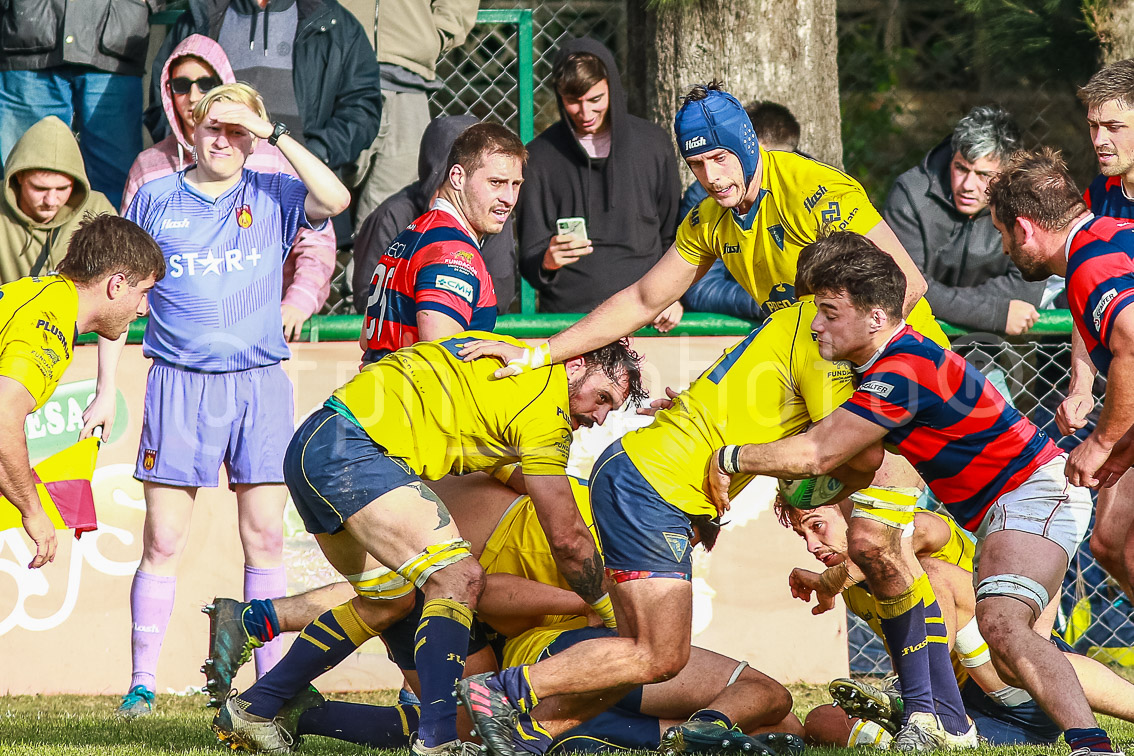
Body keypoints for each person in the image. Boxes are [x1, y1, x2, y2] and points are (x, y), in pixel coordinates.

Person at [459, 83, 965, 751]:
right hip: (813, 384)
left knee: (871, 541)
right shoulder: (713, 219)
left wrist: (844, 407)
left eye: (722, 160)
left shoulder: (817, 193)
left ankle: (934, 714)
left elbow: (909, 285)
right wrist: (539, 351)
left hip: (893, 379)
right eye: (697, 166)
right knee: (852, 548)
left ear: (750, 147)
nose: (712, 177)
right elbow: (644, 295)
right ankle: (942, 709)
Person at [707, 232, 1111, 755]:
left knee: (999, 623)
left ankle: (1088, 744)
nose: (815, 324)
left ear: (875, 317)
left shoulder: (901, 370)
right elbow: (862, 461)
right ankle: (941, 717)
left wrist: (730, 457)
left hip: (1034, 492)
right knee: (880, 547)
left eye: (830, 312)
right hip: (1011, 503)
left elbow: (818, 454)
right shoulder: (885, 364)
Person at [457, 299, 876, 756]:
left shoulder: (785, 340)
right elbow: (856, 457)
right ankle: (505, 691)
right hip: (562, 628)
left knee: (718, 688)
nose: (814, 543)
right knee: (664, 656)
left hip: (635, 508)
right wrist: (589, 601)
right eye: (808, 526)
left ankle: (541, 736)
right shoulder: (571, 490)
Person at [214, 332, 645, 756]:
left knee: (389, 602)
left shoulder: (501, 354)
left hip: (314, 445)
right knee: (459, 576)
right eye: (603, 398)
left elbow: (495, 456)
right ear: (574, 363)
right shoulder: (546, 413)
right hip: (357, 453)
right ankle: (437, 742)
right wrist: (609, 611)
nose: (600, 417)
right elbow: (567, 538)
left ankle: (258, 706)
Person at [211, 473, 802, 754]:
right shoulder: (580, 515)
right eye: (700, 528)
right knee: (408, 607)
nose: (698, 541)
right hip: (511, 634)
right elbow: (479, 587)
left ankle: (285, 683)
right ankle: (264, 653)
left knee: (456, 720)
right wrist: (590, 604)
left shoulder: (571, 496)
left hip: (465, 609)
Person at [93, 82, 351, 720]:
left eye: (238, 130)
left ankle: (268, 689)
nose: (224, 140)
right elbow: (117, 295)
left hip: (259, 381)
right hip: (178, 382)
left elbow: (337, 198)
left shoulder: (273, 190)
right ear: (192, 128)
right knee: (162, 538)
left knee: (264, 536)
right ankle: (142, 684)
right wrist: (103, 389)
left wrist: (271, 134)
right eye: (215, 126)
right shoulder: (155, 196)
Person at [777, 500, 1134, 747]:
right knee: (822, 721)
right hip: (968, 708)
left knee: (933, 576)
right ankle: (939, 734)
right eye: (802, 535)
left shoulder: (923, 525)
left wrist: (830, 580)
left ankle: (916, 696)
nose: (811, 545)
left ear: (849, 509)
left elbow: (890, 543)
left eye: (817, 526)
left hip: (1017, 680)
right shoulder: (851, 590)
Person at [986, 147, 1134, 609]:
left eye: (1002, 233)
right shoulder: (1111, 235)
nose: (1005, 248)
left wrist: (1103, 441)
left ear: (1025, 228)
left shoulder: (1091, 264)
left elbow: (1133, 342)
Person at [122, 34, 336, 340]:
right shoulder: (148, 167)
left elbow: (317, 241)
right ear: (167, 92)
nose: (193, 95)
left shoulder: (273, 161)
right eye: (181, 85)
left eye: (206, 84)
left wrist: (299, 300)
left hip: (265, 330)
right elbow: (130, 260)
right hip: (178, 339)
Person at [0, 214, 162, 570]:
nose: (142, 309)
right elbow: (2, 420)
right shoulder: (50, 325)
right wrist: (33, 512)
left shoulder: (38, 293)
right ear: (116, 285)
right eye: (143, 293)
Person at [516, 38, 681, 319]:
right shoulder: (539, 157)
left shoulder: (653, 144)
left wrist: (671, 296)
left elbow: (674, 236)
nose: (585, 113)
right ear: (559, 96)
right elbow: (529, 252)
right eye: (573, 102)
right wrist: (546, 261)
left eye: (595, 100)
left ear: (612, 89)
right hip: (569, 318)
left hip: (646, 314)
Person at [147, 0, 382, 182]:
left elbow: (361, 110)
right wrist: (195, 159)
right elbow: (164, 103)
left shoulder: (333, 22)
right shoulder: (202, 17)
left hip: (305, 188)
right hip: (215, 192)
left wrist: (313, 156)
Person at [357, 122, 524, 362]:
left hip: (380, 389)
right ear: (457, 177)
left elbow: (367, 339)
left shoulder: (414, 232)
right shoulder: (454, 252)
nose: (508, 198)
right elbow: (441, 359)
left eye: (515, 184)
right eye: (495, 182)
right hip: (412, 396)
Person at [882, 105, 1044, 336]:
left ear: (1007, 173)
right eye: (960, 168)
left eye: (983, 175)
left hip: (993, 347)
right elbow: (906, 288)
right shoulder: (910, 194)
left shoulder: (1028, 200)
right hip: (917, 338)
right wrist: (994, 314)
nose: (967, 185)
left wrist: (942, 299)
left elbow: (1027, 290)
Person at [0, 0, 155, 209]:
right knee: (27, 177)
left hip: (116, 35)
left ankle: (112, 242)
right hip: (28, 34)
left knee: (117, 187)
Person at [339, 0, 480, 229]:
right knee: (308, 197)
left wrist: (436, 35)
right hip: (331, 70)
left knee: (389, 219)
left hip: (408, 82)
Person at [680, 101, 801, 322]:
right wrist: (773, 303)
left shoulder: (811, 186)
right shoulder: (705, 198)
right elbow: (700, 289)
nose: (760, 171)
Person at [0, 116, 118, 284]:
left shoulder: (98, 210)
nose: (51, 200)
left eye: (63, 189)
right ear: (18, 176)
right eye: (40, 188)